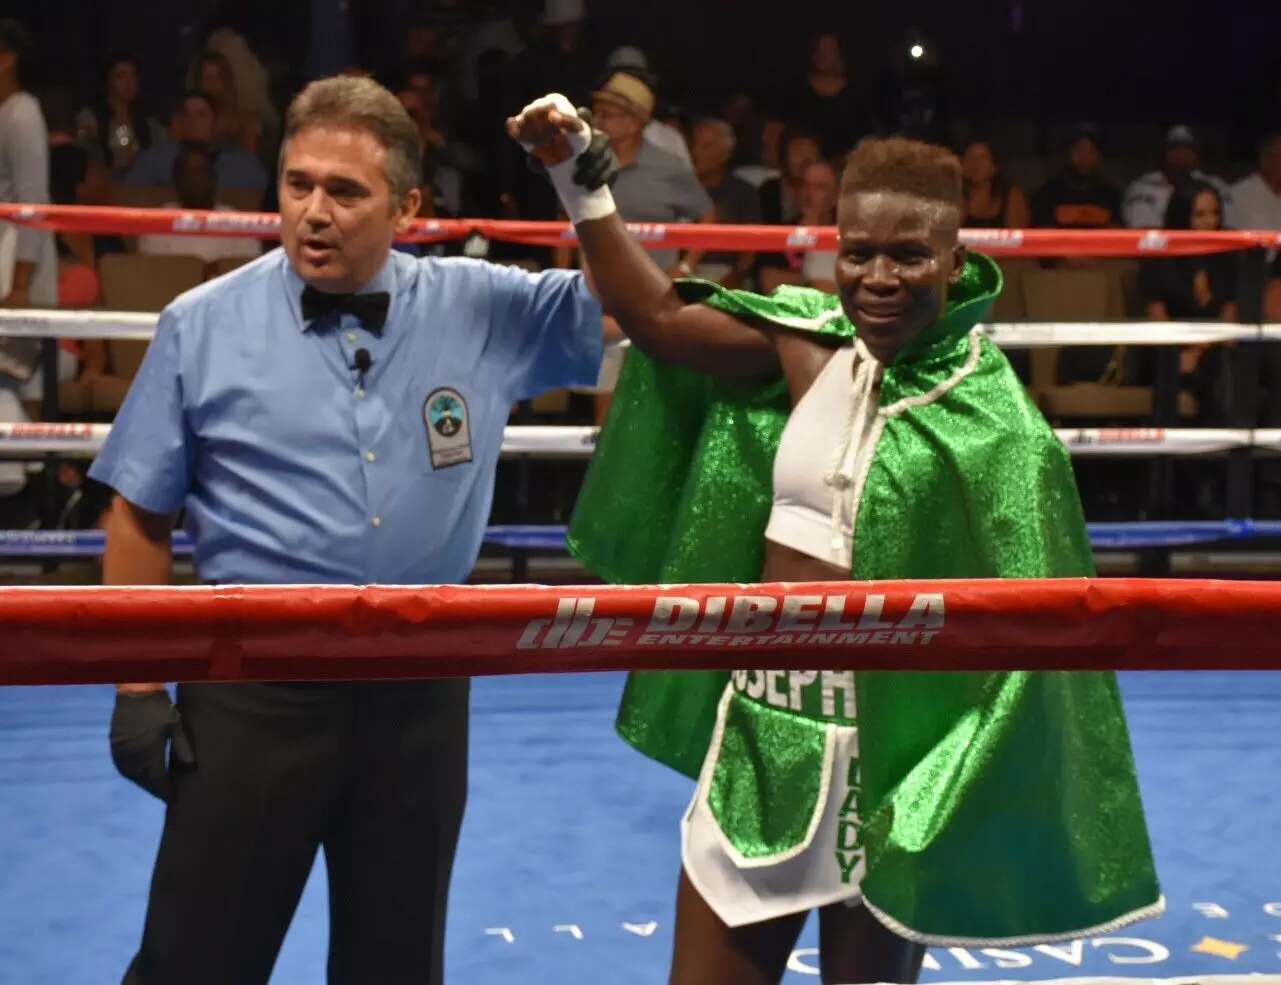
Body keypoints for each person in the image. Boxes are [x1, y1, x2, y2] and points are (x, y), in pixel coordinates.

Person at [508, 95, 1162, 985]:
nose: (878, 278)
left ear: (955, 260)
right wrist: (581, 182)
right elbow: (657, 315)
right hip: (762, 728)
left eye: (907, 256)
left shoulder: (1000, 424)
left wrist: (952, 782)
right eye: (858, 252)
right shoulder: (807, 346)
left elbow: (1038, 633)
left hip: (897, 749)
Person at [94, 75, 605, 985]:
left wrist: (583, 184)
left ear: (408, 206)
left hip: (421, 684)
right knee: (196, 959)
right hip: (255, 683)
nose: (313, 213)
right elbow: (139, 509)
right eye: (298, 185)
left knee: (395, 962)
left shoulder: (479, 304)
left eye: (344, 191)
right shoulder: (202, 323)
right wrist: (137, 685)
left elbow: (623, 309)